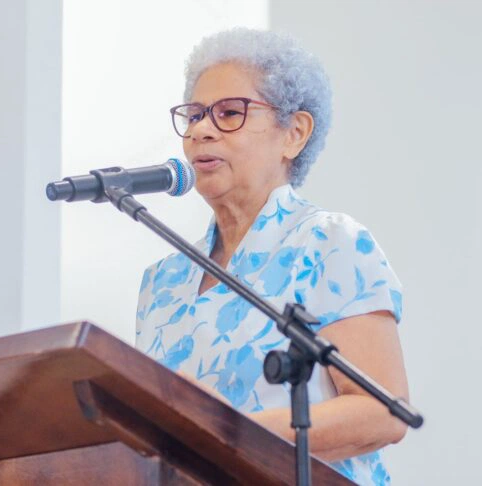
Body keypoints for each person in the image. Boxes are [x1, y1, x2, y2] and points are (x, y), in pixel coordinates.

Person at [135, 27, 409, 486]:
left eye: (229, 113)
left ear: (294, 134)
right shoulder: (160, 281)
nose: (202, 130)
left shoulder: (329, 243)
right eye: (196, 114)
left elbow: (382, 413)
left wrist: (225, 432)